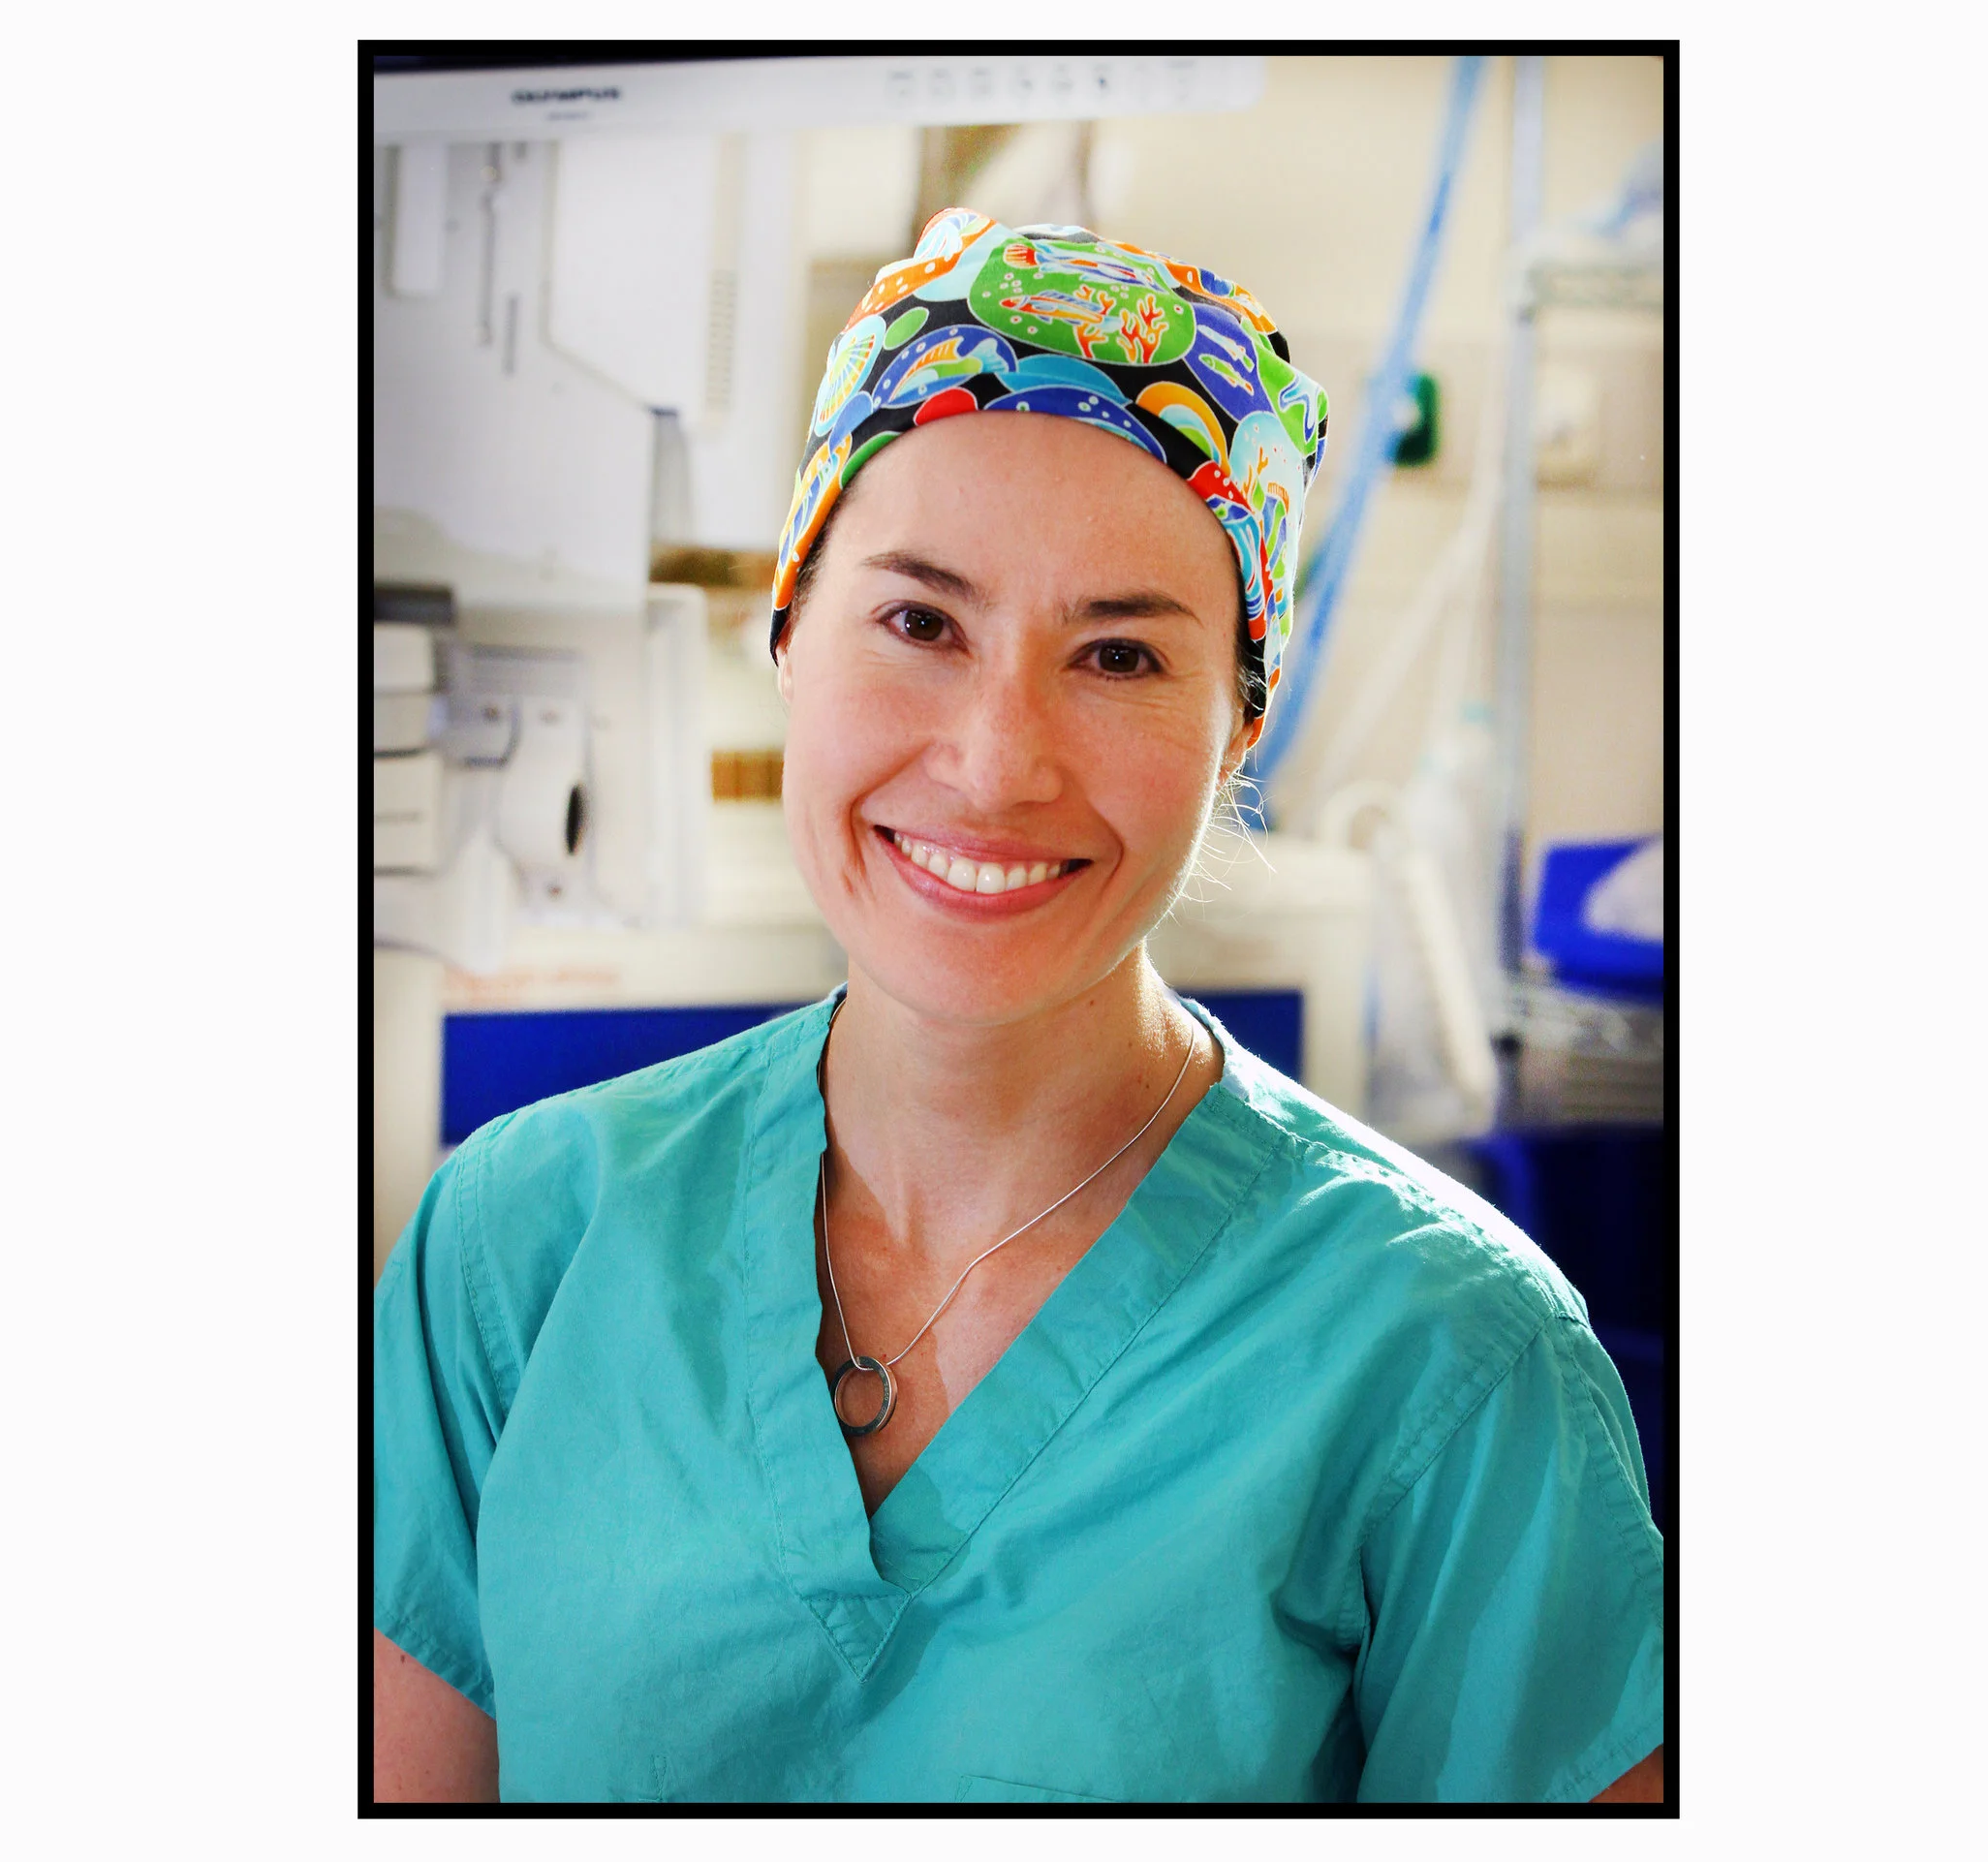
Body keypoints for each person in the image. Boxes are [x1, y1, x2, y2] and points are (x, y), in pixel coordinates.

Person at [372, 209, 1665, 1804]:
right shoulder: (516, 1247)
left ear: (1239, 727)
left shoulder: (1446, 1360)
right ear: (789, 628)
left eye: (1118, 657)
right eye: (920, 621)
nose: (995, 764)